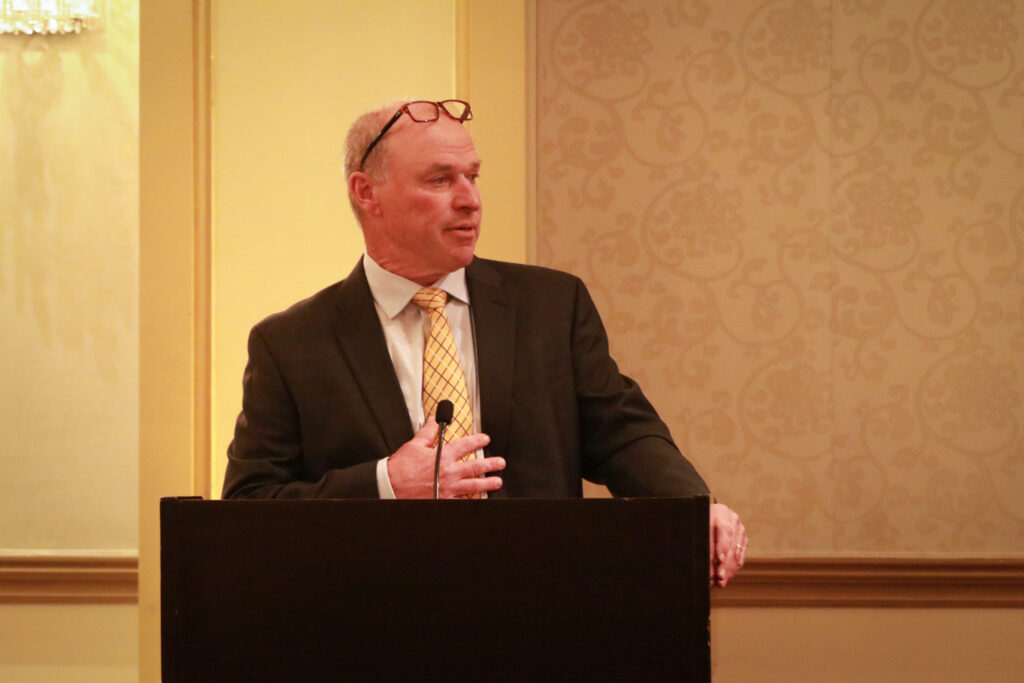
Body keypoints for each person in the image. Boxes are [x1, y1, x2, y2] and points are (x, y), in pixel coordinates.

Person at [222, 98, 748, 586]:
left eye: (473, 177)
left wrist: (694, 506)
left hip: (540, 612)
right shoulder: (291, 344)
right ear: (367, 193)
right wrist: (385, 483)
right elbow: (248, 505)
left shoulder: (550, 305)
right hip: (373, 620)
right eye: (440, 180)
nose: (470, 200)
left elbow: (621, 434)